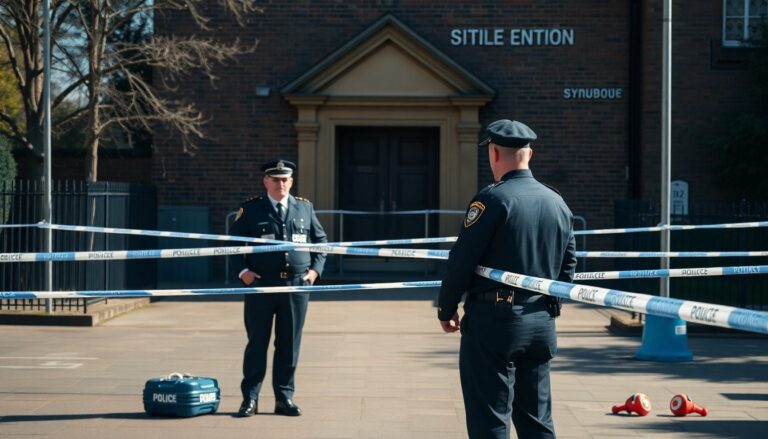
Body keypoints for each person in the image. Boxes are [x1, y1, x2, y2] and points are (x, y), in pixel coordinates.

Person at [437, 119, 577, 438]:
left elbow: (462, 260)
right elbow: (568, 267)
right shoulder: (558, 202)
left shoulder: (493, 199)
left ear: (494, 153)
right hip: (541, 321)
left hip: (495, 321)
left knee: (490, 418)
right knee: (537, 420)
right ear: (530, 154)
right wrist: (551, 307)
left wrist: (446, 309)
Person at [231, 159, 327, 417]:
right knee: (257, 343)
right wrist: (243, 273)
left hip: (296, 286)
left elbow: (321, 241)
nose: (280, 184)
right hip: (261, 285)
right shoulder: (251, 209)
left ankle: (284, 397)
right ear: (266, 181)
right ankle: (249, 398)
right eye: (275, 179)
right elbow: (231, 245)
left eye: (285, 179)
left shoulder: (304, 208)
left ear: (291, 182)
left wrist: (314, 272)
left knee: (289, 344)